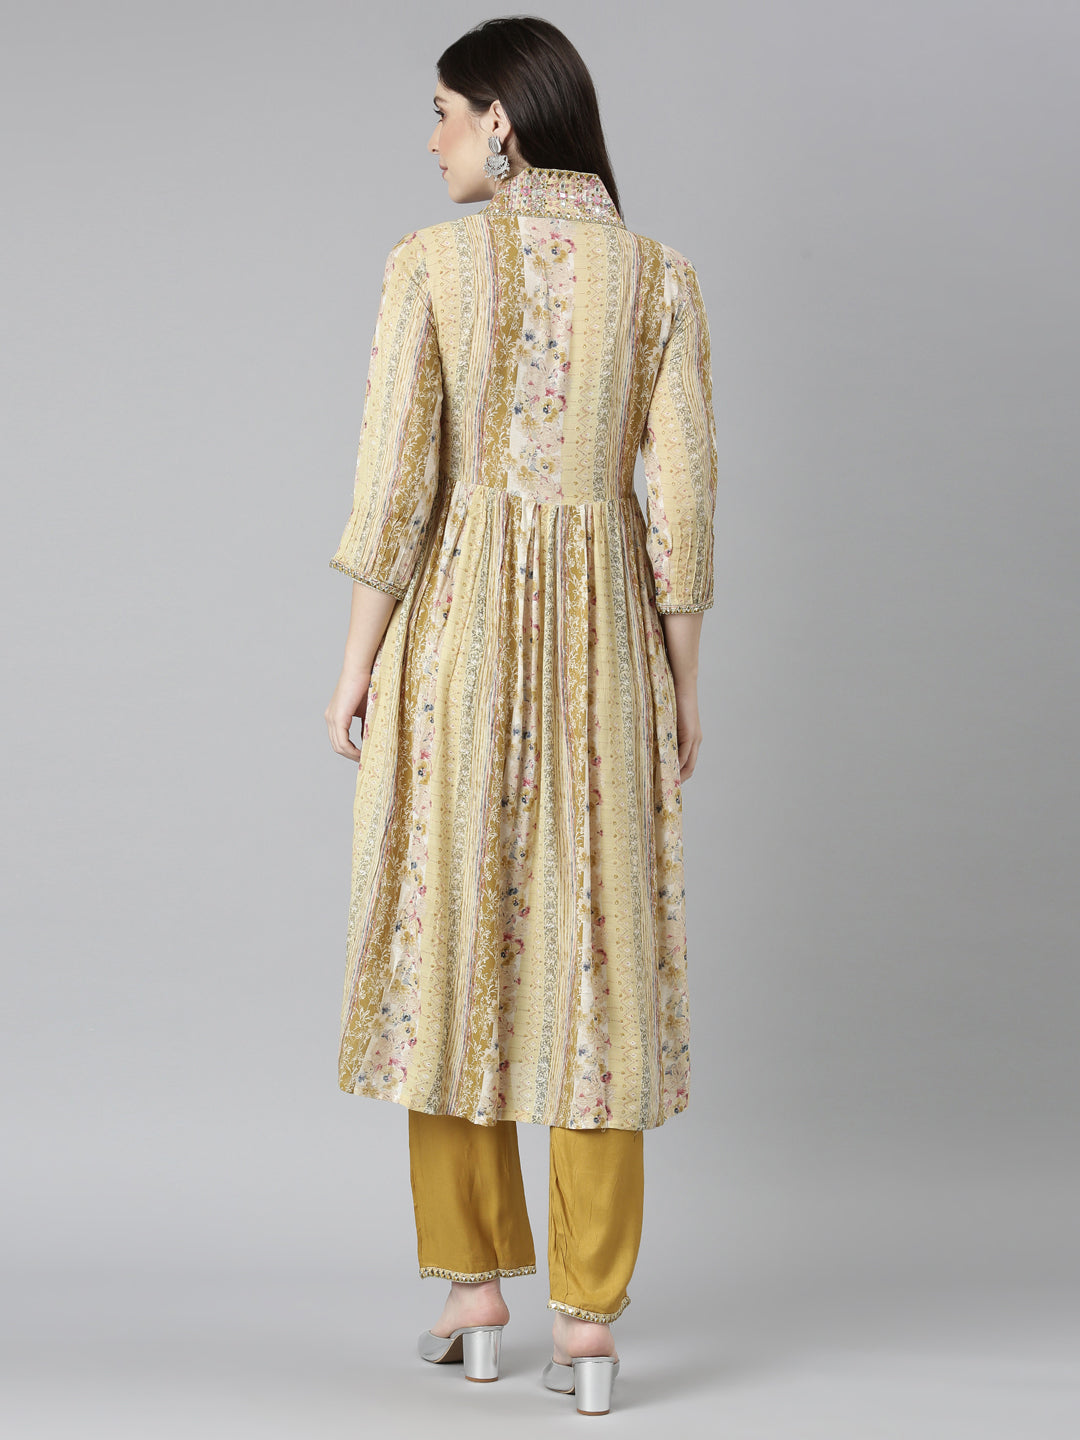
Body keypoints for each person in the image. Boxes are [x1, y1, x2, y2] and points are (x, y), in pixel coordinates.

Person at [324, 16, 717, 1415]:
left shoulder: (429, 266)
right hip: (608, 642)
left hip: (458, 638)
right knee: (597, 956)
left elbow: (396, 487)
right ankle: (590, 1322)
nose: (430, 139)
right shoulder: (660, 278)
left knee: (452, 945)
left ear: (500, 119)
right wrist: (681, 680)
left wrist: (356, 663)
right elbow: (681, 507)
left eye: (441, 111)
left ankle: (474, 1291)